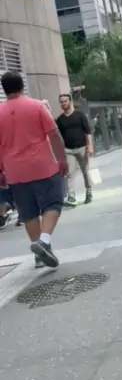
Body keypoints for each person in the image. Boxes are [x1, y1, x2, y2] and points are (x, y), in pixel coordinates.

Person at [0, 71, 68, 267]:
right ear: (22, 86)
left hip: (14, 172)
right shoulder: (37, 106)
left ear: (4, 89)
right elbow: (54, 134)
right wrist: (62, 159)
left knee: (28, 212)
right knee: (53, 203)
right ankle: (44, 241)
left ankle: (40, 256)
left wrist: (0, 171)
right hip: (42, 167)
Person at [56, 93, 94, 206]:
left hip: (82, 147)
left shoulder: (80, 115)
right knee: (69, 174)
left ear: (70, 101)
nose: (63, 103)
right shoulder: (60, 120)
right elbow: (58, 137)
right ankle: (71, 197)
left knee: (85, 171)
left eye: (65, 101)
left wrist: (90, 146)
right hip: (68, 150)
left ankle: (89, 192)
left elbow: (88, 132)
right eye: (61, 102)